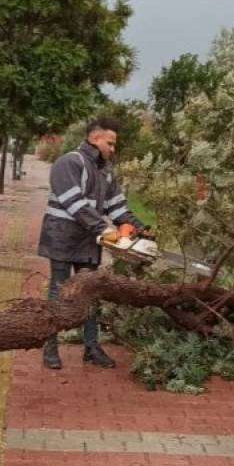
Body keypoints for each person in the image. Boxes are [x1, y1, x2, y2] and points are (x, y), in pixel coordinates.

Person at [37, 117, 148, 369]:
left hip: (88, 242)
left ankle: (91, 348)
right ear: (96, 139)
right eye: (110, 143)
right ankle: (50, 349)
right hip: (62, 239)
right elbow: (74, 203)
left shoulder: (105, 172)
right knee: (58, 293)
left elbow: (117, 206)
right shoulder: (68, 162)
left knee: (90, 293)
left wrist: (140, 228)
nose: (113, 148)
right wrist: (105, 229)